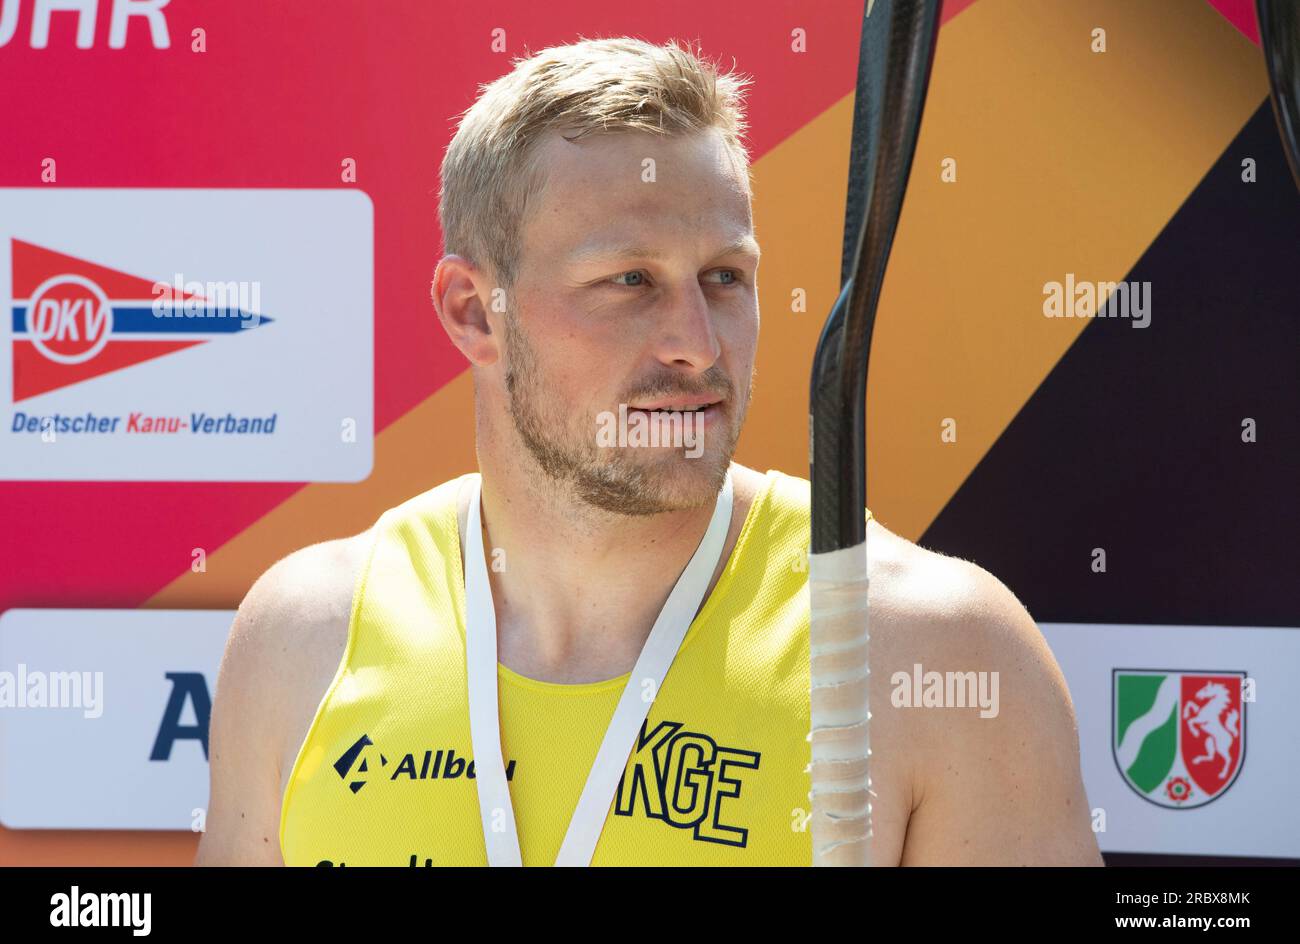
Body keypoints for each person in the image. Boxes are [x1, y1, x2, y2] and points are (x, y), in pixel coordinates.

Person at [196, 37, 1102, 866]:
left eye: (725, 279)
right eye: (629, 281)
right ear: (476, 311)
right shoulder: (302, 637)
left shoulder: (934, 654)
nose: (698, 345)